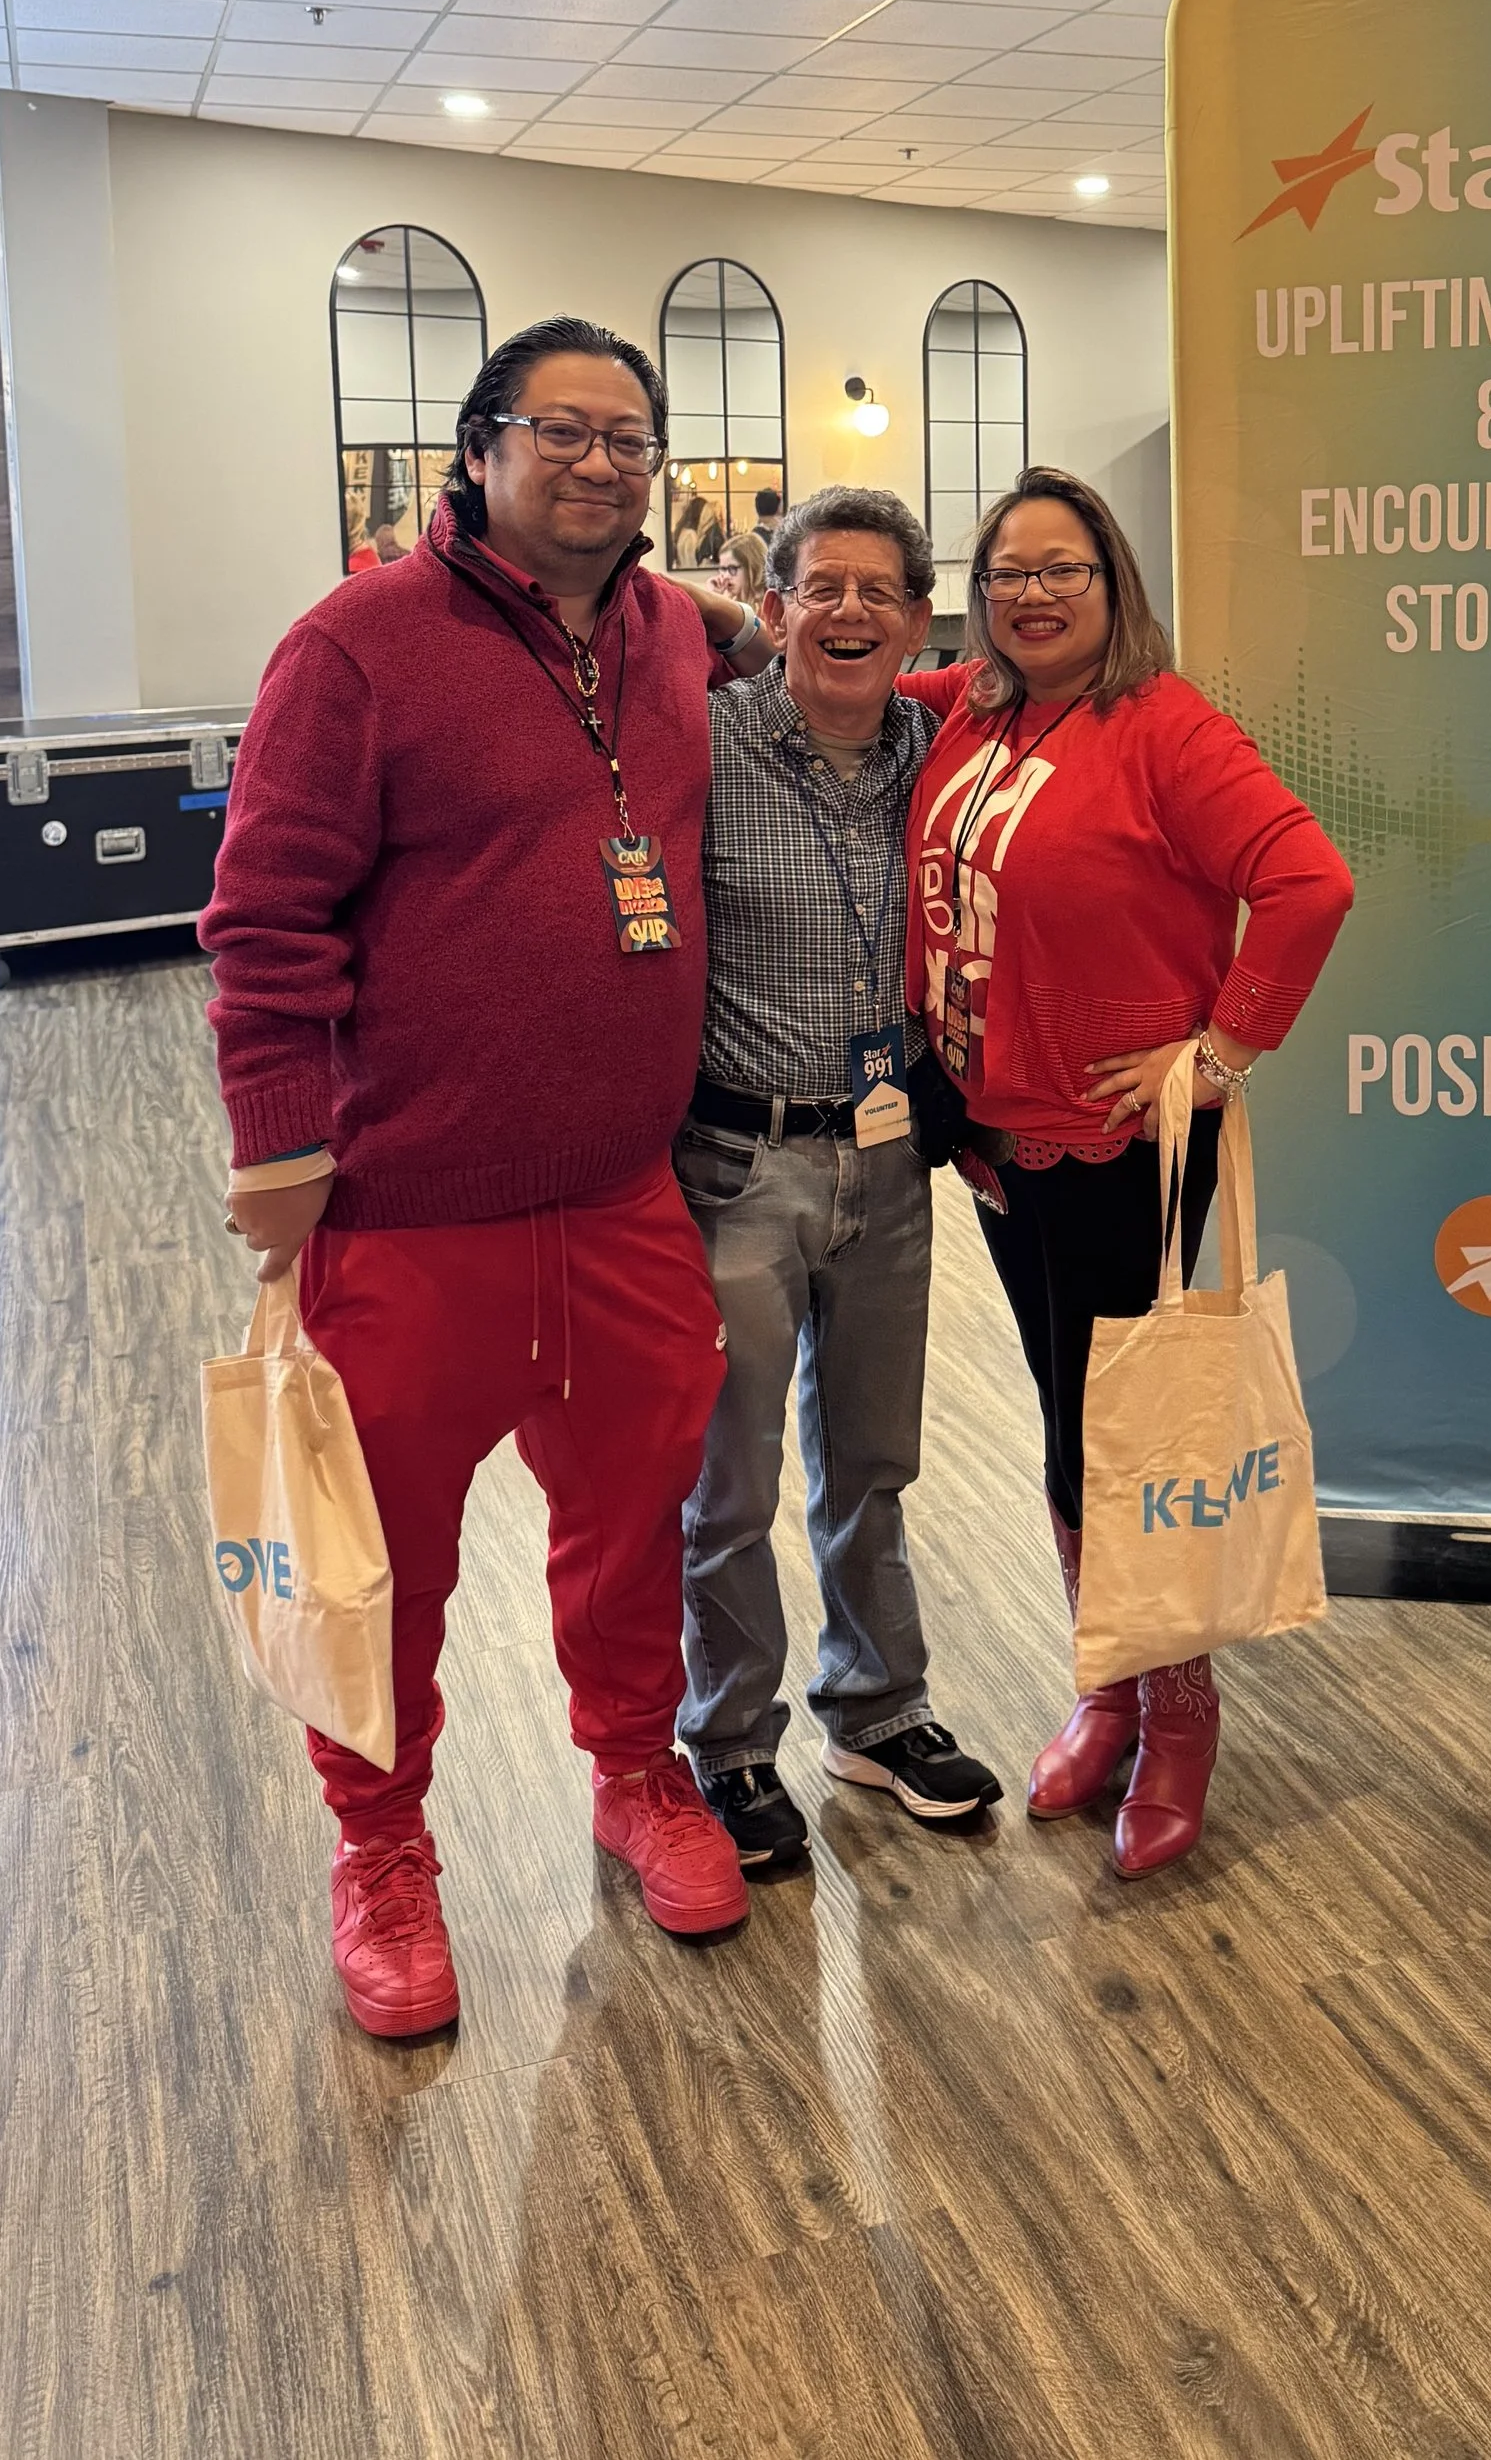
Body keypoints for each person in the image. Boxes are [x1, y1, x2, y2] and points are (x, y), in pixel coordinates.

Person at [205, 313, 751, 2043]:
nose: (600, 463)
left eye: (629, 439)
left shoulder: (676, 636)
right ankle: (380, 1852)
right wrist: (282, 1152)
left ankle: (634, 1773)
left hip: (619, 1198)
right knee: (391, 1564)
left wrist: (746, 617)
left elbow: (734, 647)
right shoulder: (356, 649)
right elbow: (264, 922)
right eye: (561, 431)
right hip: (407, 1215)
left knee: (631, 1524)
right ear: (479, 447)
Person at [905, 468, 1351, 1877]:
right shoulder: (972, 712)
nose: (1033, 593)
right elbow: (823, 661)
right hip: (998, 1145)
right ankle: (1105, 1679)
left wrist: (1220, 1052)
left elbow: (1308, 881)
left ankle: (1177, 1718)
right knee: (1060, 1424)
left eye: (1063, 569)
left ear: (1114, 586)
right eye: (1008, 573)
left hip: (1124, 1152)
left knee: (1131, 1442)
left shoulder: (1162, 727)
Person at [678, 485, 1002, 1876]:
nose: (852, 611)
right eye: (824, 587)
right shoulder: (702, 747)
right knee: (729, 1481)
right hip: (735, 1162)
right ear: (776, 607)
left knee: (873, 1461)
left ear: (916, 619)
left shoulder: (941, 753)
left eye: (882, 590)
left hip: (887, 1158)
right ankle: (732, 1746)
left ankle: (878, 1710)